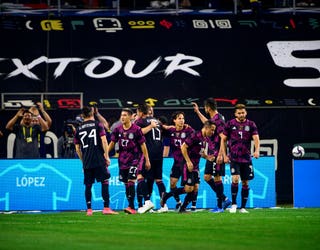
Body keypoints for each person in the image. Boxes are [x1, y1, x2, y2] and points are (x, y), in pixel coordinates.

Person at [161, 120, 216, 213]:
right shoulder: (195, 135)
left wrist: (207, 157)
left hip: (196, 165)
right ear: (206, 128)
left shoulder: (205, 139)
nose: (213, 132)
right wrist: (188, 161)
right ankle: (166, 196)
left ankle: (182, 209)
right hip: (187, 164)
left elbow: (201, 152)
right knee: (188, 189)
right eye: (212, 130)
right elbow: (183, 147)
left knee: (195, 188)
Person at [74, 106, 118, 216]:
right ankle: (106, 208)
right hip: (98, 158)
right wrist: (107, 156)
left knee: (88, 185)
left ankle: (89, 209)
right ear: (92, 113)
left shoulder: (78, 129)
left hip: (87, 161)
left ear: (83, 115)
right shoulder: (98, 125)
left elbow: (77, 148)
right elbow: (104, 140)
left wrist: (83, 162)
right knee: (104, 181)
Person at [108, 108, 154, 214]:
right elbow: (112, 143)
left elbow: (143, 145)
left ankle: (132, 206)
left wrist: (147, 160)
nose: (122, 117)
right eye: (121, 115)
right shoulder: (117, 129)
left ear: (129, 117)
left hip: (135, 159)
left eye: (124, 115)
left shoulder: (136, 129)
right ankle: (132, 207)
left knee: (131, 181)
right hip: (122, 160)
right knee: (126, 184)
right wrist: (105, 154)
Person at [192, 98, 231, 213]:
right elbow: (207, 124)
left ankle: (219, 206)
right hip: (212, 152)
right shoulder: (215, 118)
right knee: (207, 177)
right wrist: (198, 112)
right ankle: (224, 199)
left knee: (217, 177)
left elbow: (223, 137)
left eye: (204, 108)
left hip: (217, 152)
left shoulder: (218, 119)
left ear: (208, 107)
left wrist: (221, 154)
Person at [221, 103, 260, 213]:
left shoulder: (251, 124)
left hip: (246, 158)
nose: (241, 114)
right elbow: (223, 140)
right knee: (235, 179)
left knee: (245, 182)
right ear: (235, 114)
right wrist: (224, 155)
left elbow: (256, 138)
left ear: (246, 113)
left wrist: (257, 150)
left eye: (243, 112)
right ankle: (233, 204)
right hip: (234, 158)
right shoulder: (230, 124)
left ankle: (243, 207)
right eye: (239, 113)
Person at [159, 111, 195, 212]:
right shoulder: (171, 130)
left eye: (183, 118)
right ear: (174, 120)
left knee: (189, 189)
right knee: (172, 184)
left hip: (187, 162)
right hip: (176, 162)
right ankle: (179, 204)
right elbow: (162, 126)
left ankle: (167, 196)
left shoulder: (189, 130)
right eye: (179, 118)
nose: (182, 120)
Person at [135, 104, 166, 211]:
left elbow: (138, 133)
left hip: (148, 151)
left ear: (140, 112)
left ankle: (147, 201)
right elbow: (163, 131)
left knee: (140, 176)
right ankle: (164, 205)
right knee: (158, 179)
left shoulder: (140, 121)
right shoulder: (157, 121)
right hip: (159, 152)